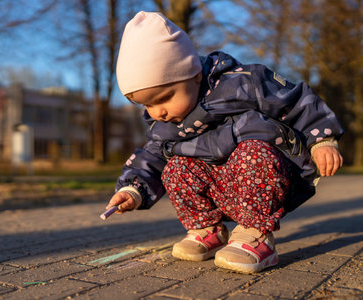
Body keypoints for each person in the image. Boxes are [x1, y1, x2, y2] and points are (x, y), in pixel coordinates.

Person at [106, 11, 344, 274]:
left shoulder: (244, 83)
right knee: (176, 167)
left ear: (194, 74)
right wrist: (132, 189)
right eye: (147, 104)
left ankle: (255, 236)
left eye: (164, 97)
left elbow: (296, 102)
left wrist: (322, 139)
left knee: (252, 152)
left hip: (267, 177)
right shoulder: (164, 125)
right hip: (220, 187)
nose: (157, 112)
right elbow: (150, 157)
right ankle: (207, 231)